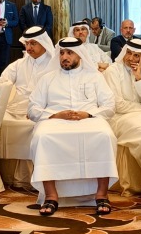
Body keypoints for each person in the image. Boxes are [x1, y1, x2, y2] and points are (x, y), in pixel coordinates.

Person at [28, 37, 118, 216]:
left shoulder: (94, 77)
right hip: (55, 121)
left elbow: (110, 105)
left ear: (80, 55)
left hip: (89, 119)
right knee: (42, 137)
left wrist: (89, 114)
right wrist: (55, 115)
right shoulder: (47, 79)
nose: (64, 57)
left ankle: (101, 194)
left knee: (105, 135)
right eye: (61, 53)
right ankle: (51, 195)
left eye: (69, 53)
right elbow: (32, 109)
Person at [0, 26, 58, 140]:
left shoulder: (54, 65)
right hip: (15, 109)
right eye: (26, 43)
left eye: (33, 43)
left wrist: (36, 112)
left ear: (43, 43)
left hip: (41, 110)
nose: (29, 47)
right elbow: (4, 80)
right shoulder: (19, 64)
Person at [103, 37, 141, 178]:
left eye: (136, 55)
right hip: (119, 119)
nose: (131, 58)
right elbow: (118, 105)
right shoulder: (112, 71)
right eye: (128, 53)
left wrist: (139, 78)